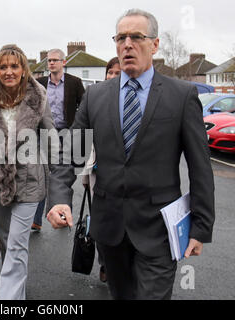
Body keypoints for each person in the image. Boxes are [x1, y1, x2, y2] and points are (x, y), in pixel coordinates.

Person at [47, 8, 215, 300]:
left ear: (155, 44)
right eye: (121, 37)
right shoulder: (96, 96)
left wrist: (201, 226)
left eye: (136, 37)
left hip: (159, 230)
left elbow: (201, 167)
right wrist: (60, 198)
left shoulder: (182, 96)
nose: (127, 44)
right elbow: (70, 153)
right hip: (110, 230)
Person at [0, 44, 58, 300]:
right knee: (8, 244)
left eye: (14, 66)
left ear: (23, 69)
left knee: (17, 244)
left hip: (29, 182)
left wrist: (56, 190)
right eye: (3, 66)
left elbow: (51, 139)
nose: (8, 71)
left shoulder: (38, 96)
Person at [32, 48, 85, 231]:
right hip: (45, 133)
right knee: (42, 174)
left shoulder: (74, 83)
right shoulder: (39, 83)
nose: (51, 63)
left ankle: (62, 213)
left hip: (66, 133)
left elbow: (84, 106)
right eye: (49, 60)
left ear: (64, 62)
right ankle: (37, 219)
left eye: (55, 60)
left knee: (62, 173)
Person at [81, 57, 121, 283]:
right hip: (98, 172)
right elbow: (84, 140)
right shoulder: (96, 97)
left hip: (123, 175)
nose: (112, 77)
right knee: (101, 220)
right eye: (110, 73)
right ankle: (104, 262)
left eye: (117, 73)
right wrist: (85, 174)